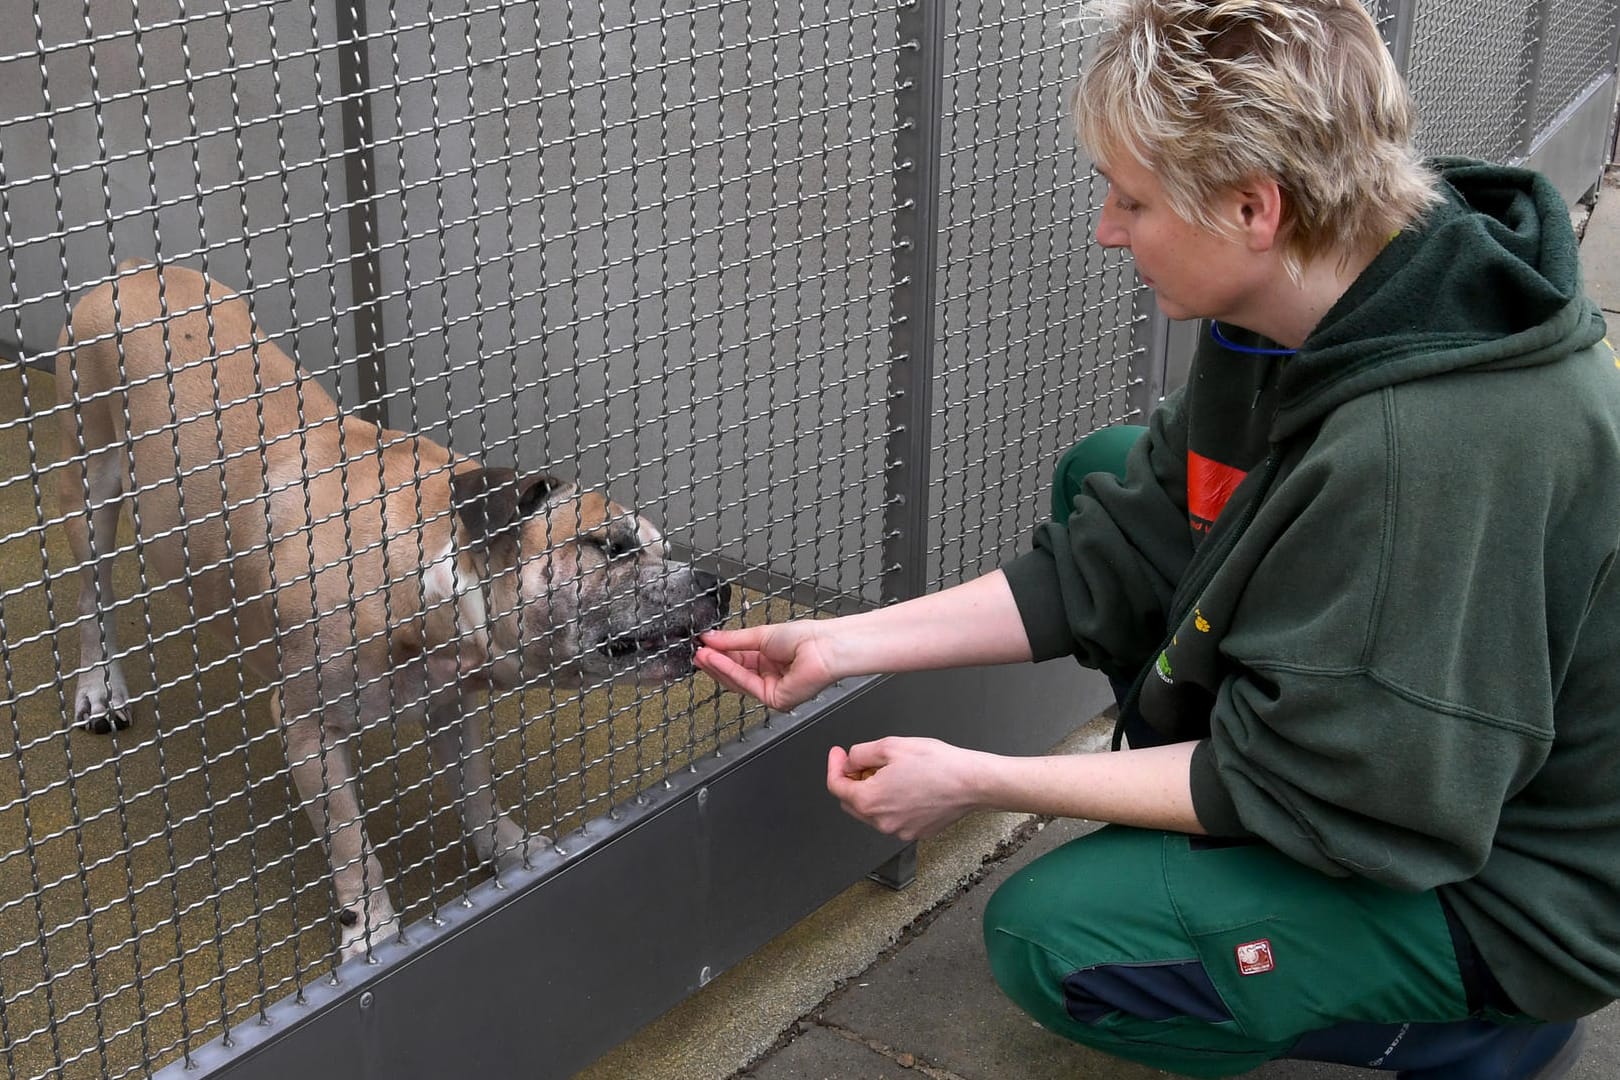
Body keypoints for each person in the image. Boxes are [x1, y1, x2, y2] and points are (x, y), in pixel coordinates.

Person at [695, 0, 1620, 1076]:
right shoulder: (1315, 297)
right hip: (1411, 748)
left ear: (1252, 206)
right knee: (1110, 469)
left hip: (1516, 885)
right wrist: (850, 643)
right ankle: (1223, 848)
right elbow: (1114, 555)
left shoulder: (1427, 458)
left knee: (1062, 939)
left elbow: (1325, 791)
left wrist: (975, 777)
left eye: (1132, 199)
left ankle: (1476, 1035)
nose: (1106, 227)